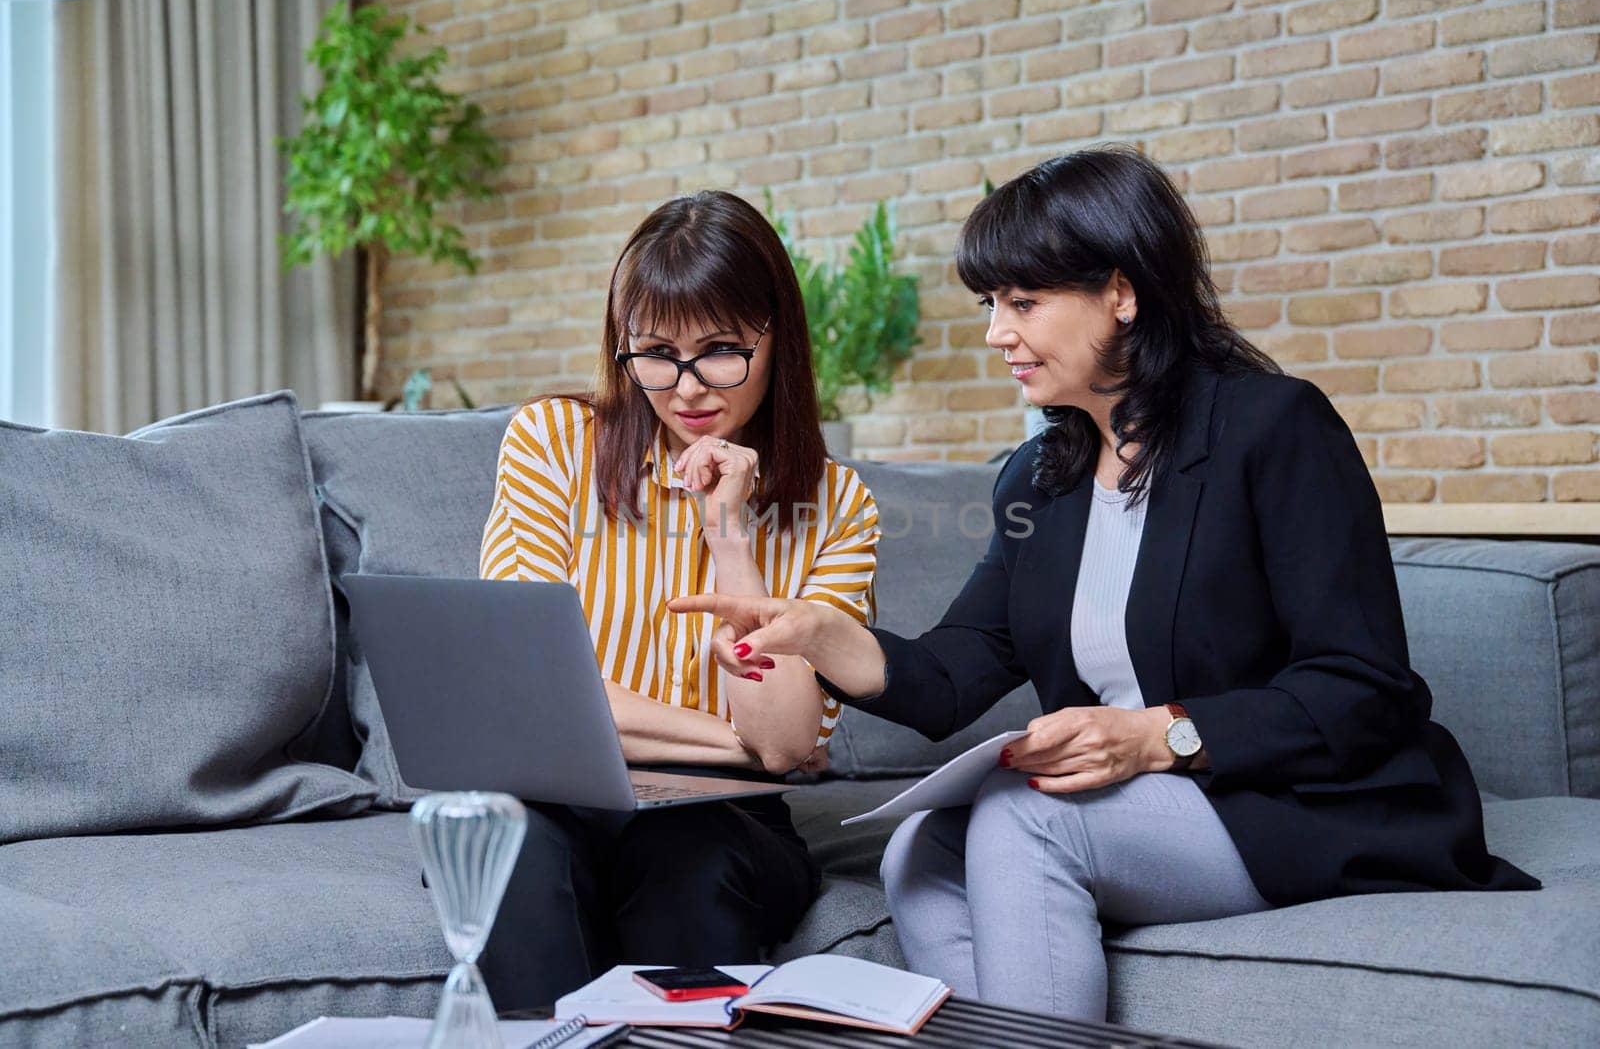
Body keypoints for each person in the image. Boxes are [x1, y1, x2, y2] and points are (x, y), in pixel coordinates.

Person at [669, 146, 1538, 1022]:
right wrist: (818, 633)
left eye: (1023, 302)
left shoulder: (1274, 429)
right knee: (918, 851)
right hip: (1146, 806)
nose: (996, 333)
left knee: (1024, 819)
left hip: (1298, 800)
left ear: (1121, 292)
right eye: (991, 304)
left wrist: (1161, 736)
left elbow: (1364, 687)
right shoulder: (1039, 478)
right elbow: (955, 671)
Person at [475, 190, 880, 1008]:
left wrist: (729, 536)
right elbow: (531, 691)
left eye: (722, 349)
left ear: (777, 342)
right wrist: (735, 741)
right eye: (656, 352)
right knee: (505, 843)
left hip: (724, 821)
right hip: (559, 789)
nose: (687, 387)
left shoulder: (838, 505)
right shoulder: (553, 444)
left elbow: (787, 736)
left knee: (689, 857)